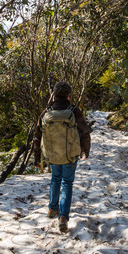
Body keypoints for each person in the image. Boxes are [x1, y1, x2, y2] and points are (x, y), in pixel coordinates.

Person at [33, 81, 91, 232]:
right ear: (69, 95)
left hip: (52, 156)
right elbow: (85, 132)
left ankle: (53, 209)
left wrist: (36, 157)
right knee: (67, 183)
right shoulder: (74, 111)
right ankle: (63, 216)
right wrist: (85, 151)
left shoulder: (46, 112)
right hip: (70, 155)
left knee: (55, 179)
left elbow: (37, 136)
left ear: (54, 94)